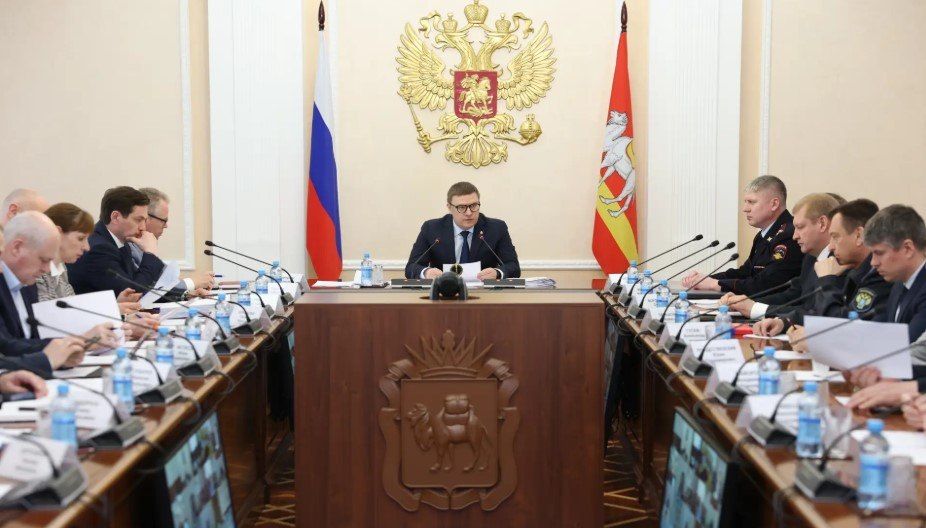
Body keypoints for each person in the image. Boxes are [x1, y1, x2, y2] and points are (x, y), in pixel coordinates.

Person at [753, 199, 887, 337]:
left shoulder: (879, 276)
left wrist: (827, 280)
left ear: (859, 235)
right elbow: (820, 312)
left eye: (835, 237)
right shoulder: (855, 269)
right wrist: (785, 322)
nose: (831, 246)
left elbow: (839, 326)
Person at [0, 214, 114, 372]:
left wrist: (66, 351)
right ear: (17, 248)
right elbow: (6, 347)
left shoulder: (27, 283)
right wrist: (74, 344)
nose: (47, 269)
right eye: (43, 260)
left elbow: (30, 341)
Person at [839, 205, 926, 410]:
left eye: (879, 253)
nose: (874, 263)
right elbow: (884, 333)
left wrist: (869, 364)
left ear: (907, 248)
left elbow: (910, 346)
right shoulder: (899, 283)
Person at [722, 193, 839, 319]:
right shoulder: (811, 258)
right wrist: (746, 302)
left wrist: (755, 309)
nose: (795, 236)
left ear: (822, 223)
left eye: (800, 227)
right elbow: (793, 295)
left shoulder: (840, 262)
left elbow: (816, 311)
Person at [682, 175, 802, 295]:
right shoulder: (764, 234)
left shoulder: (789, 235)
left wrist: (715, 284)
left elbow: (767, 283)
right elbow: (745, 272)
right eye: (745, 202)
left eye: (752, 202)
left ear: (774, 204)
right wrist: (705, 279)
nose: (745, 209)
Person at [67, 186, 175, 296]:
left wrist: (181, 295)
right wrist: (151, 254)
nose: (143, 227)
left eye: (145, 220)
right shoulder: (99, 249)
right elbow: (132, 294)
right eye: (138, 220)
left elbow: (137, 284)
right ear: (115, 217)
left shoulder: (121, 242)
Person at [404, 181, 520, 280]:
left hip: (485, 293)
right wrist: (426, 272)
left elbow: (513, 266)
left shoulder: (496, 228)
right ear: (449, 207)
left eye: (473, 205)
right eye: (462, 207)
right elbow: (411, 267)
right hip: (443, 292)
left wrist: (497, 273)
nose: (469, 213)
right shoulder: (431, 228)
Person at [138, 188, 214, 293]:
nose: (166, 226)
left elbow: (164, 278)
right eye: (164, 220)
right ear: (146, 218)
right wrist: (192, 282)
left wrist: (190, 291)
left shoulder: (144, 245)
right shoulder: (129, 248)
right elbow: (151, 287)